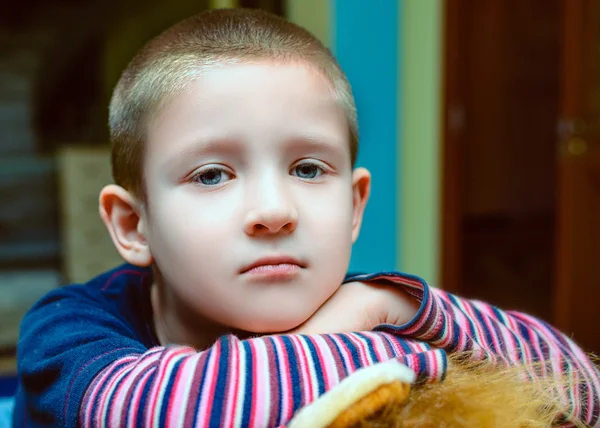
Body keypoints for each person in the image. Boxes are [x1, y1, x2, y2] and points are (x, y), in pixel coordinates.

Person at [13, 8, 599, 427]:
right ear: (133, 226)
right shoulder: (66, 330)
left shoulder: (371, 307)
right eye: (212, 174)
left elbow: (581, 389)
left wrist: (388, 304)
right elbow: (172, 409)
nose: (274, 211)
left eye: (309, 169)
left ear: (353, 206)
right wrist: (420, 362)